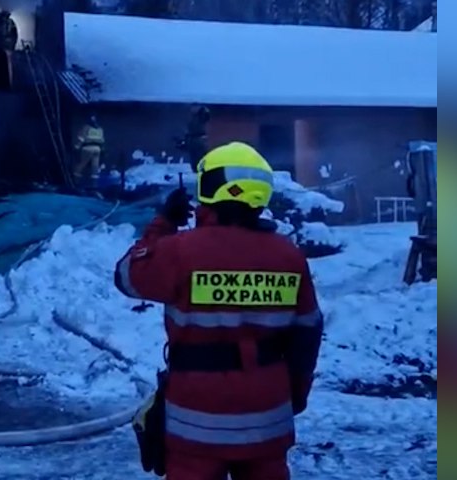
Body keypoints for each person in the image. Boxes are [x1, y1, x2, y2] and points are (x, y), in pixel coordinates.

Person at [114, 142, 324, 480]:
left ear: (211, 188)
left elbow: (126, 276)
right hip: (268, 419)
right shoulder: (289, 257)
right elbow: (307, 335)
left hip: (195, 423)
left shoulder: (179, 251)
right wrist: (294, 396)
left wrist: (163, 224)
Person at [73, 115, 106, 188]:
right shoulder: (100, 129)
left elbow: (82, 138)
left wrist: (77, 146)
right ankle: (94, 185)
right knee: (95, 167)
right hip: (97, 149)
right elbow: (102, 141)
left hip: (87, 148)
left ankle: (75, 182)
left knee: (81, 164)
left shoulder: (86, 127)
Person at [177, 105, 212, 173]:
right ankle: (198, 170)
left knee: (199, 156)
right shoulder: (191, 118)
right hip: (193, 138)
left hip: (198, 138)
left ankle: (201, 170)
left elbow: (207, 116)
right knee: (195, 157)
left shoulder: (200, 115)